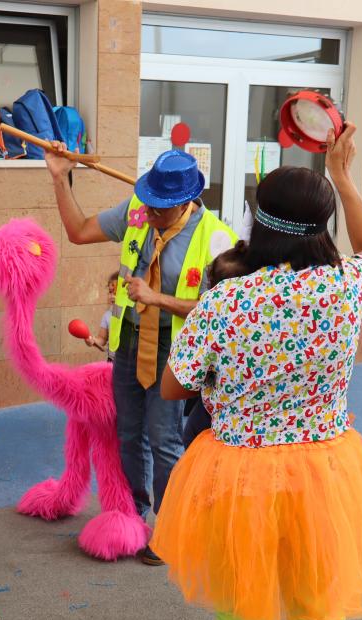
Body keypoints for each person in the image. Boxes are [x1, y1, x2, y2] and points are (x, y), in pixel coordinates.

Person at [151, 125, 362, 620]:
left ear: (255, 221)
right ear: (322, 225)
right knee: (322, 610)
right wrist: (343, 176)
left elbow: (172, 384)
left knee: (243, 618)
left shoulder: (226, 299)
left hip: (237, 474)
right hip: (326, 471)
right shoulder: (347, 285)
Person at [45, 142, 238, 565]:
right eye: (148, 203)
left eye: (160, 209)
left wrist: (158, 298)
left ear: (187, 201)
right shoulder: (138, 208)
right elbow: (79, 231)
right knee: (128, 435)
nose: (149, 214)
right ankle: (132, 515)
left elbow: (222, 307)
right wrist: (60, 176)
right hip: (129, 343)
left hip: (176, 350)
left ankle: (171, 528)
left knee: (164, 438)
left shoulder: (217, 238)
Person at [180, 245, 250, 449]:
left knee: (192, 440)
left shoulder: (213, 321)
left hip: (216, 412)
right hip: (250, 419)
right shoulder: (262, 320)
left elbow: (178, 385)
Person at [84, 270, 120, 353]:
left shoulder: (131, 315)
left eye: (116, 293)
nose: (112, 296)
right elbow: (102, 339)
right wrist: (93, 340)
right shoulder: (107, 315)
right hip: (112, 361)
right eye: (110, 292)